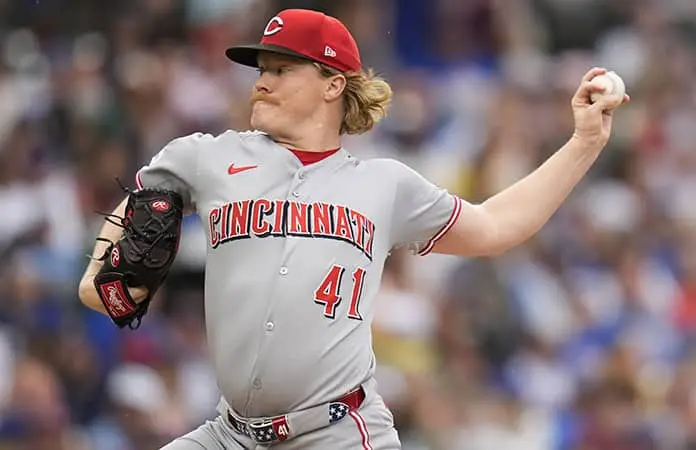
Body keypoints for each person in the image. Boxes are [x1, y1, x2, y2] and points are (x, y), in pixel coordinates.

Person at [77, 8, 629, 450]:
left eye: (281, 69)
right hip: (230, 434)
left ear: (332, 84)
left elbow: (495, 226)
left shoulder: (384, 184)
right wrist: (101, 272)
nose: (261, 83)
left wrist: (584, 142)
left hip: (337, 432)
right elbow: (124, 231)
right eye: (261, 70)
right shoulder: (206, 158)